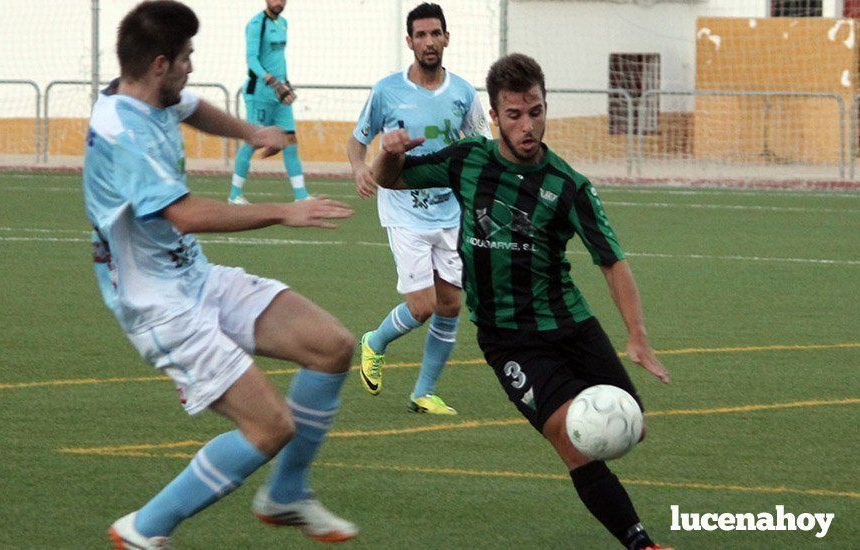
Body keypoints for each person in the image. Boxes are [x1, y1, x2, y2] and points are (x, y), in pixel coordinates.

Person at [369, 53, 672, 550]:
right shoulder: (468, 160)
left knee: (629, 427)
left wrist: (637, 335)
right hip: (509, 338)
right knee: (575, 441)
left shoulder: (568, 185)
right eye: (514, 114)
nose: (527, 125)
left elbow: (611, 260)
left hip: (571, 324)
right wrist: (389, 151)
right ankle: (640, 542)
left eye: (535, 111)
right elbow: (390, 178)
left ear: (546, 107)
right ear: (494, 118)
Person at [83, 2, 358, 546]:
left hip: (194, 278)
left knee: (331, 345)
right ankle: (143, 529)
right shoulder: (122, 133)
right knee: (269, 426)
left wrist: (253, 131)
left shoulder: (139, 88)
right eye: (185, 58)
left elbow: (192, 107)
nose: (191, 67)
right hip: (158, 305)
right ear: (160, 63)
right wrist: (284, 210)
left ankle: (285, 494)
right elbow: (184, 213)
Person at [347, 2, 492, 415]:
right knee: (422, 306)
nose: (429, 42)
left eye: (436, 33)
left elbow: (480, 145)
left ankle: (423, 393)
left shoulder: (463, 93)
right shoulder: (387, 90)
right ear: (409, 41)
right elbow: (357, 139)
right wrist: (360, 167)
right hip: (405, 212)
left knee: (450, 304)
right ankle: (375, 341)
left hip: (451, 213)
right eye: (421, 35)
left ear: (447, 37)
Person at [228, 0, 309, 204]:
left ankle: (301, 196)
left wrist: (286, 83)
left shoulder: (283, 23)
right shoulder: (257, 24)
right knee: (254, 140)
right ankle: (234, 194)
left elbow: (279, 59)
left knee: (290, 140)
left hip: (280, 94)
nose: (279, 2)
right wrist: (271, 81)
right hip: (261, 93)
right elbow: (252, 60)